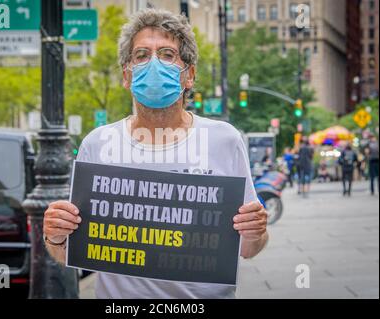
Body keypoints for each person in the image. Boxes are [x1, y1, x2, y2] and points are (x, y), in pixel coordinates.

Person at [42, 9, 268, 299]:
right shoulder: (97, 144)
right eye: (141, 55)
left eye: (167, 54)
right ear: (127, 75)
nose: (154, 64)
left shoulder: (224, 140)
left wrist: (257, 231)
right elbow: (68, 253)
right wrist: (55, 234)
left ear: (190, 75)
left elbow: (249, 248)